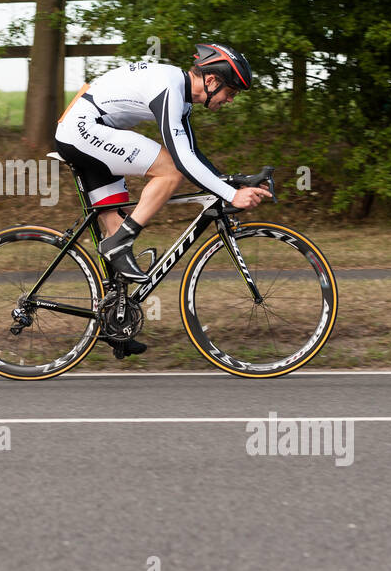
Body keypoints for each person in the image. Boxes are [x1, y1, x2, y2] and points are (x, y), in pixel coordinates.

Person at [53, 42, 271, 358]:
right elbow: (182, 160)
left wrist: (231, 181)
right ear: (211, 81)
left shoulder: (181, 99)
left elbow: (194, 154)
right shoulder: (169, 87)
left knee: (117, 226)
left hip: (88, 131)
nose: (231, 99)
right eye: (231, 90)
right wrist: (231, 194)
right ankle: (119, 243)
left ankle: (115, 323)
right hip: (84, 130)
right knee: (168, 171)